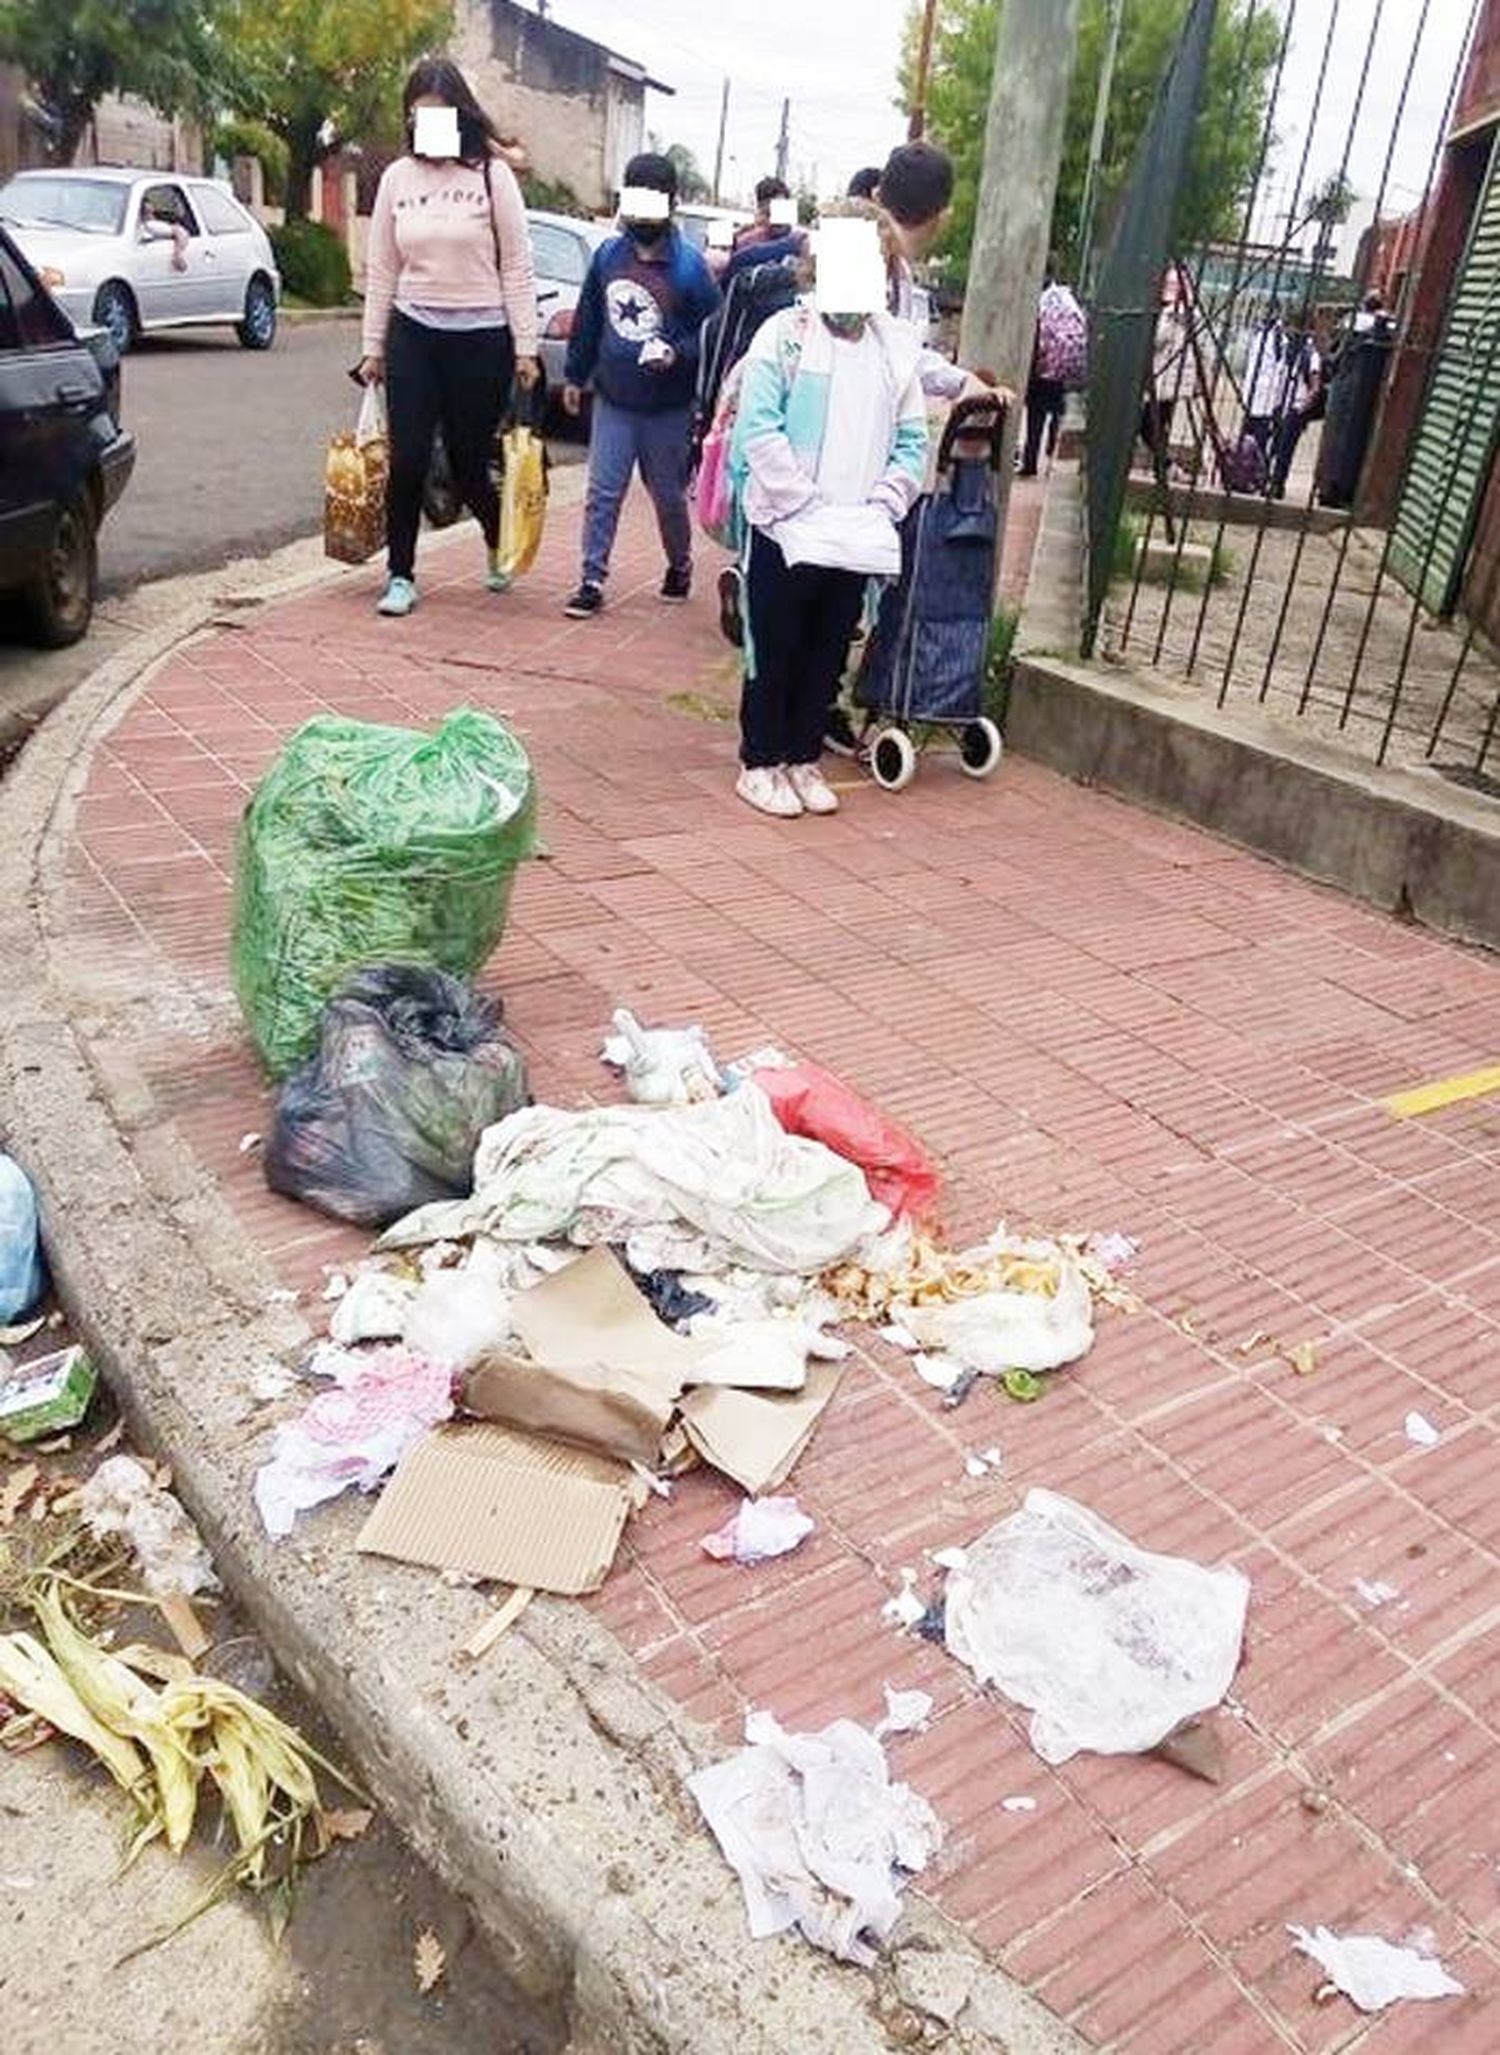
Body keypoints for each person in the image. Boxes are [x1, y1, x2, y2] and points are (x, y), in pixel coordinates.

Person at [730, 214, 927, 818]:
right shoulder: (783, 335)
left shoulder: (894, 348)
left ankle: (802, 755)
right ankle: (760, 761)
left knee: (828, 646)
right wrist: (800, 503)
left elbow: (913, 441)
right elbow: (758, 427)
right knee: (777, 643)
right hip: (786, 528)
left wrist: (883, 504)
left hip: (856, 534)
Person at [358, 58, 540, 619]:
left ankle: (493, 535)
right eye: (416, 118)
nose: (424, 128)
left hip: (481, 336)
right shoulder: (396, 179)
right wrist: (374, 347)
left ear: (459, 117)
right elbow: (382, 267)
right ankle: (401, 575)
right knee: (408, 459)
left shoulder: (491, 176)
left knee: (465, 463)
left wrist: (526, 346)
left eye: (436, 117)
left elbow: (517, 266)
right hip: (415, 331)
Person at [561, 154, 720, 617]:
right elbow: (590, 317)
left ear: (672, 206)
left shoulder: (691, 269)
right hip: (614, 396)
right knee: (603, 491)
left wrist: (677, 352)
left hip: (667, 406)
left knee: (667, 494)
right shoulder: (609, 256)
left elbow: (711, 332)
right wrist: (576, 373)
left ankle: (679, 563)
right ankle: (591, 578)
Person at [1021, 267, 1085, 477]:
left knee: (1035, 417)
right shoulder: (1066, 298)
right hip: (1061, 368)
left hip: (1040, 368)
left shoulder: (1038, 300)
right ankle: (1051, 456)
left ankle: (1030, 464)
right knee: (1056, 413)